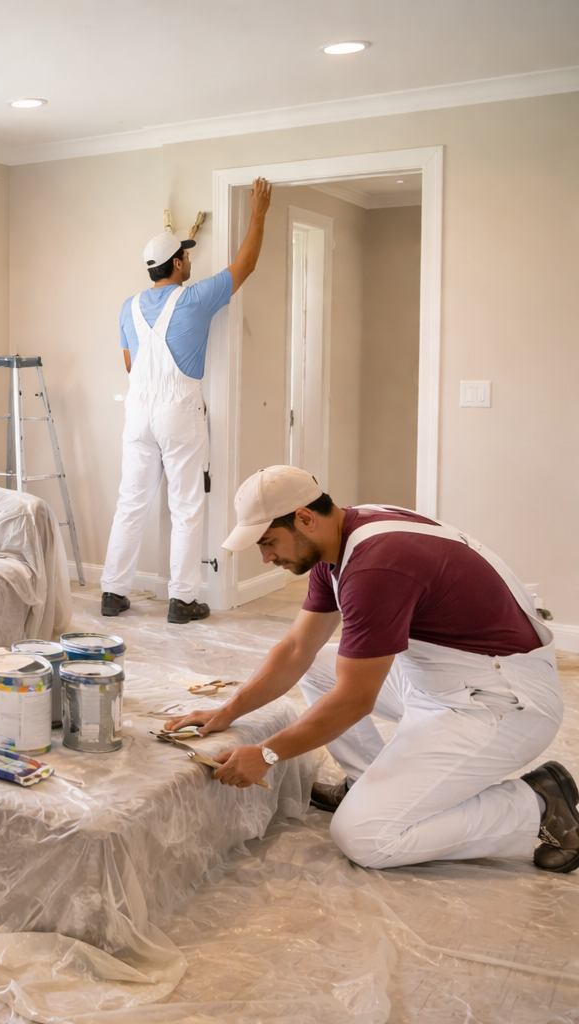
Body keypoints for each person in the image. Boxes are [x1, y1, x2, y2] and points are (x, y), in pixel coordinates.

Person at [165, 465, 577, 873]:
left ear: (305, 519)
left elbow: (354, 700)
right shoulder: (342, 539)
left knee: (365, 837)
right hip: (447, 676)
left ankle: (537, 807)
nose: (266, 556)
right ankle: (366, 783)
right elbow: (295, 650)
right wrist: (228, 711)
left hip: (498, 705)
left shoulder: (375, 567)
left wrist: (267, 754)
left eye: (270, 541)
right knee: (320, 666)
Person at [99, 178, 273, 624]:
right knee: (187, 505)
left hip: (137, 411)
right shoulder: (195, 298)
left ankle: (113, 592)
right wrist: (259, 213)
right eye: (187, 255)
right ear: (176, 264)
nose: (190, 260)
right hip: (178, 411)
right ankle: (181, 600)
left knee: (131, 502)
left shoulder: (128, 307)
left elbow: (128, 363)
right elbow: (245, 265)